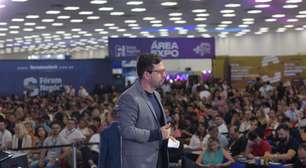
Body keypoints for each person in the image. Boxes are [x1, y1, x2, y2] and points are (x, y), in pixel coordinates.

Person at [117, 54, 171, 168]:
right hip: (141, 162)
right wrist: (156, 134)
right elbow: (126, 130)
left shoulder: (156, 94)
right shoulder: (129, 97)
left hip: (159, 158)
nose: (164, 75)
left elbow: (156, 126)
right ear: (147, 74)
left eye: (164, 71)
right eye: (160, 72)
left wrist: (165, 135)